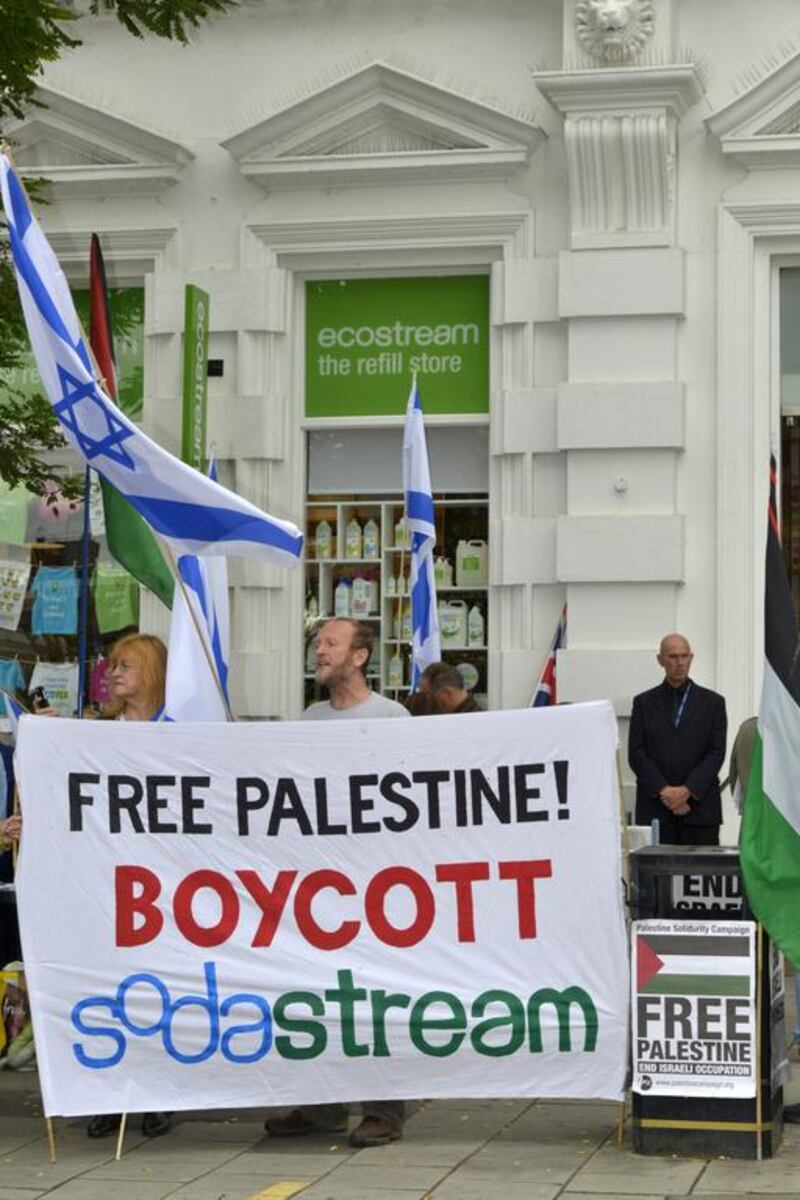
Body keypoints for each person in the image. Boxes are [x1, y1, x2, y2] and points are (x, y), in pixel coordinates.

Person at [265, 618, 410, 1148]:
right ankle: (321, 1105)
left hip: (375, 882)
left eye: (330, 643)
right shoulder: (310, 717)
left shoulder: (392, 717)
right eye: (316, 643)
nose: (318, 651)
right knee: (320, 991)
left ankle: (383, 1110)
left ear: (359, 656)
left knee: (374, 995)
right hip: (320, 882)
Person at [29, 633, 173, 1139]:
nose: (112, 674)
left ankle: (157, 1094)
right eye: (112, 665)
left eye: (125, 666)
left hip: (160, 890)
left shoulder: (178, 732)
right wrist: (49, 740)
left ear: (152, 673)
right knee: (111, 991)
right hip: (104, 886)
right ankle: (110, 1093)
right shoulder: (97, 732)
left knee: (158, 992)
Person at [628, 634, 727, 845]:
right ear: (660, 660)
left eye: (685, 656)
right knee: (655, 876)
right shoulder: (643, 703)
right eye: (673, 656)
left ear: (691, 658)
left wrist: (687, 791)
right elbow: (636, 753)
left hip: (699, 811)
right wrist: (665, 791)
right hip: (656, 811)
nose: (680, 663)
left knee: (701, 874)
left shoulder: (713, 703)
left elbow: (716, 752)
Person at [418, 662, 483, 713]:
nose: (425, 703)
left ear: (447, 693)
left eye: (429, 696)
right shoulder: (478, 717)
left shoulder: (463, 722)